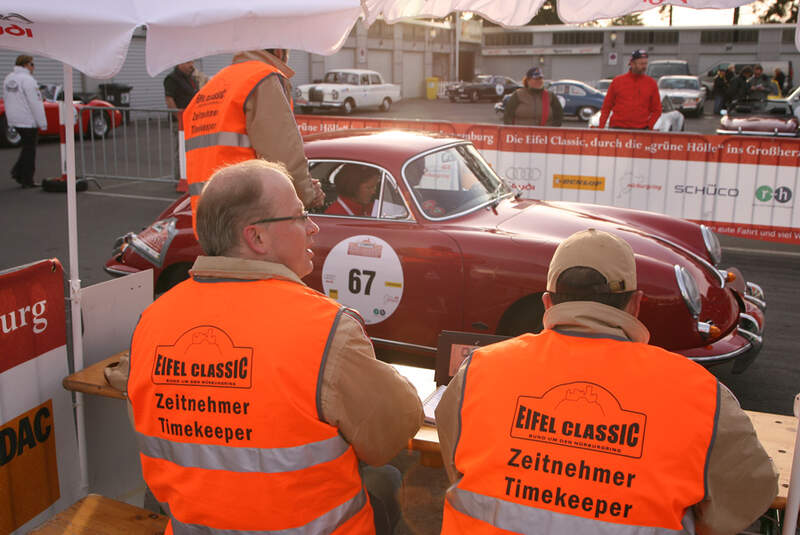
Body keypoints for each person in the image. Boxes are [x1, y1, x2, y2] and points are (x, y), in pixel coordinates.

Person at [124, 159, 423, 534]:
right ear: (257, 238)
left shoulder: (152, 322)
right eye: (300, 216)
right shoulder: (324, 328)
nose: (313, 227)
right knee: (392, 479)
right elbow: (392, 433)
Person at [436, 228, 778, 534]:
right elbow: (749, 496)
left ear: (547, 302)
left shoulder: (479, 370)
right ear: (635, 304)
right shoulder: (701, 394)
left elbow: (456, 464)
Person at [182, 48, 324, 234]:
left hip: (209, 223)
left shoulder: (210, 89)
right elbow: (282, 156)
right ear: (280, 52)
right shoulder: (263, 78)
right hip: (251, 218)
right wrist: (307, 194)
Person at [3, 55, 47, 188]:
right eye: (32, 64)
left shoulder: (9, 78)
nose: (34, 68)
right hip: (28, 120)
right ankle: (26, 179)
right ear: (26, 65)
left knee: (27, 148)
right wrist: (42, 123)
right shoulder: (28, 80)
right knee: (30, 149)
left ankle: (18, 173)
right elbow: (35, 103)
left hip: (14, 119)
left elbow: (7, 98)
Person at [598, 50, 661, 130]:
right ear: (632, 64)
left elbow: (657, 110)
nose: (644, 67)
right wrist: (600, 129)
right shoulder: (617, 81)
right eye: (641, 64)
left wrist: (649, 126)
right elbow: (606, 107)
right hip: (617, 129)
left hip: (641, 131)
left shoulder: (651, 83)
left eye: (645, 64)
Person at [164, 61, 199, 178]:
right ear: (180, 64)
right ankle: (180, 177)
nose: (191, 65)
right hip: (180, 122)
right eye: (188, 62)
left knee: (192, 149)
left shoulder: (191, 78)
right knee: (181, 150)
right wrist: (179, 118)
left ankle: (190, 175)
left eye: (192, 62)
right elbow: (169, 100)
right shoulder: (172, 79)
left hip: (193, 120)